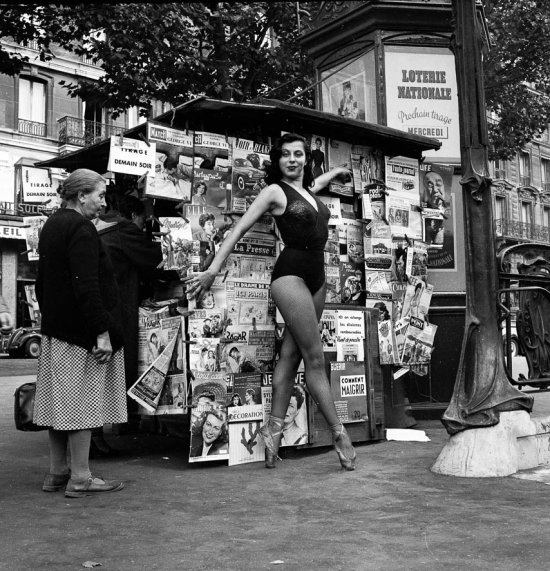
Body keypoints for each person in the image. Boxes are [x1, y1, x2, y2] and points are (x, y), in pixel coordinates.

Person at [184, 133, 356, 470]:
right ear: (277, 161)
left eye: (299, 154)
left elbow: (314, 184)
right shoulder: (274, 192)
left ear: (306, 158)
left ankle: (273, 435)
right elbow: (238, 230)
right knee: (316, 358)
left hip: (317, 279)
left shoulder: (308, 190)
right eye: (286, 155)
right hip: (289, 276)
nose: (293, 160)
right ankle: (339, 433)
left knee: (291, 356)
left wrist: (334, 173)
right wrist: (212, 270)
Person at [33, 168, 127, 497]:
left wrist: (52, 320)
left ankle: (57, 472)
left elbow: (42, 283)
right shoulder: (82, 228)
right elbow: (87, 286)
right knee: (81, 406)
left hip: (57, 330)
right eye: (100, 195)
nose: (103, 203)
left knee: (60, 404)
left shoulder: (52, 226)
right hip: (81, 334)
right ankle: (81, 477)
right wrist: (101, 332)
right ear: (82, 195)